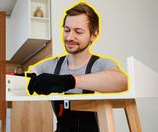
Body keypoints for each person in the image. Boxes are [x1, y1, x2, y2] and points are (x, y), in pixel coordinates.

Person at [27, 2, 128, 132]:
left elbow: (121, 81)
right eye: (67, 30)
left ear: (94, 34)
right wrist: (30, 79)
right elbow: (28, 77)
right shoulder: (52, 65)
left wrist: (70, 81)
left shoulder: (100, 64)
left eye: (78, 32)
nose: (69, 37)